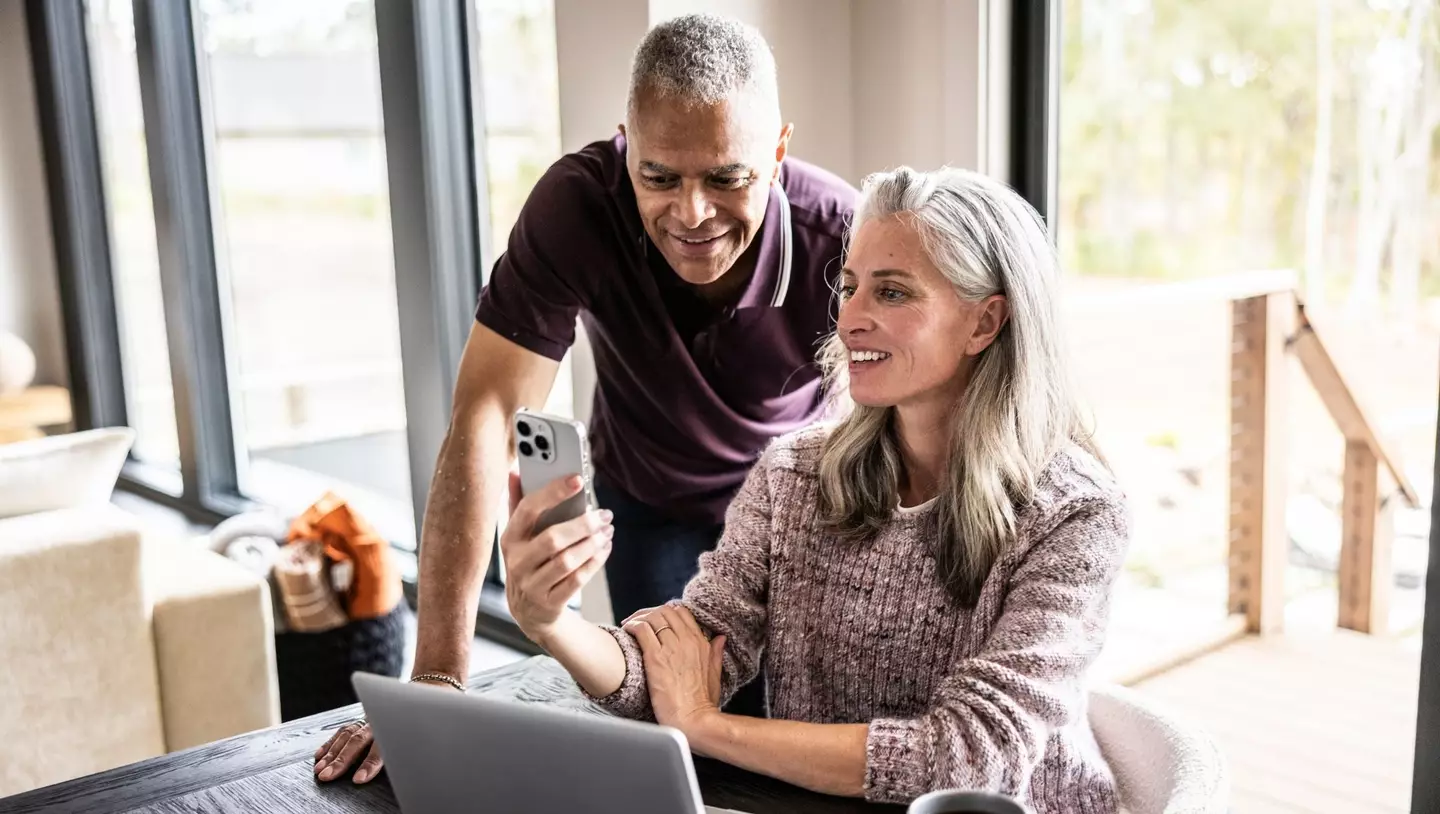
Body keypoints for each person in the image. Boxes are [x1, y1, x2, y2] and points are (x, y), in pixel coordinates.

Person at [314, 13, 856, 784]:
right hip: (653, 498)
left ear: (776, 152)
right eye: (659, 176)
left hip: (795, 514)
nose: (692, 214)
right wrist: (437, 682)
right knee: (672, 741)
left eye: (727, 178)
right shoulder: (578, 206)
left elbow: (900, 424)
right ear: (626, 145)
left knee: (786, 737)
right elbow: (487, 414)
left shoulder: (839, 238)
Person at [501, 166, 1130, 811]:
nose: (851, 316)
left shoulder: (1076, 515)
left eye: (892, 293)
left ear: (983, 323)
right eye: (850, 285)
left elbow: (969, 757)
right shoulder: (794, 475)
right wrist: (551, 622)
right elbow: (688, 655)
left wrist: (708, 727)